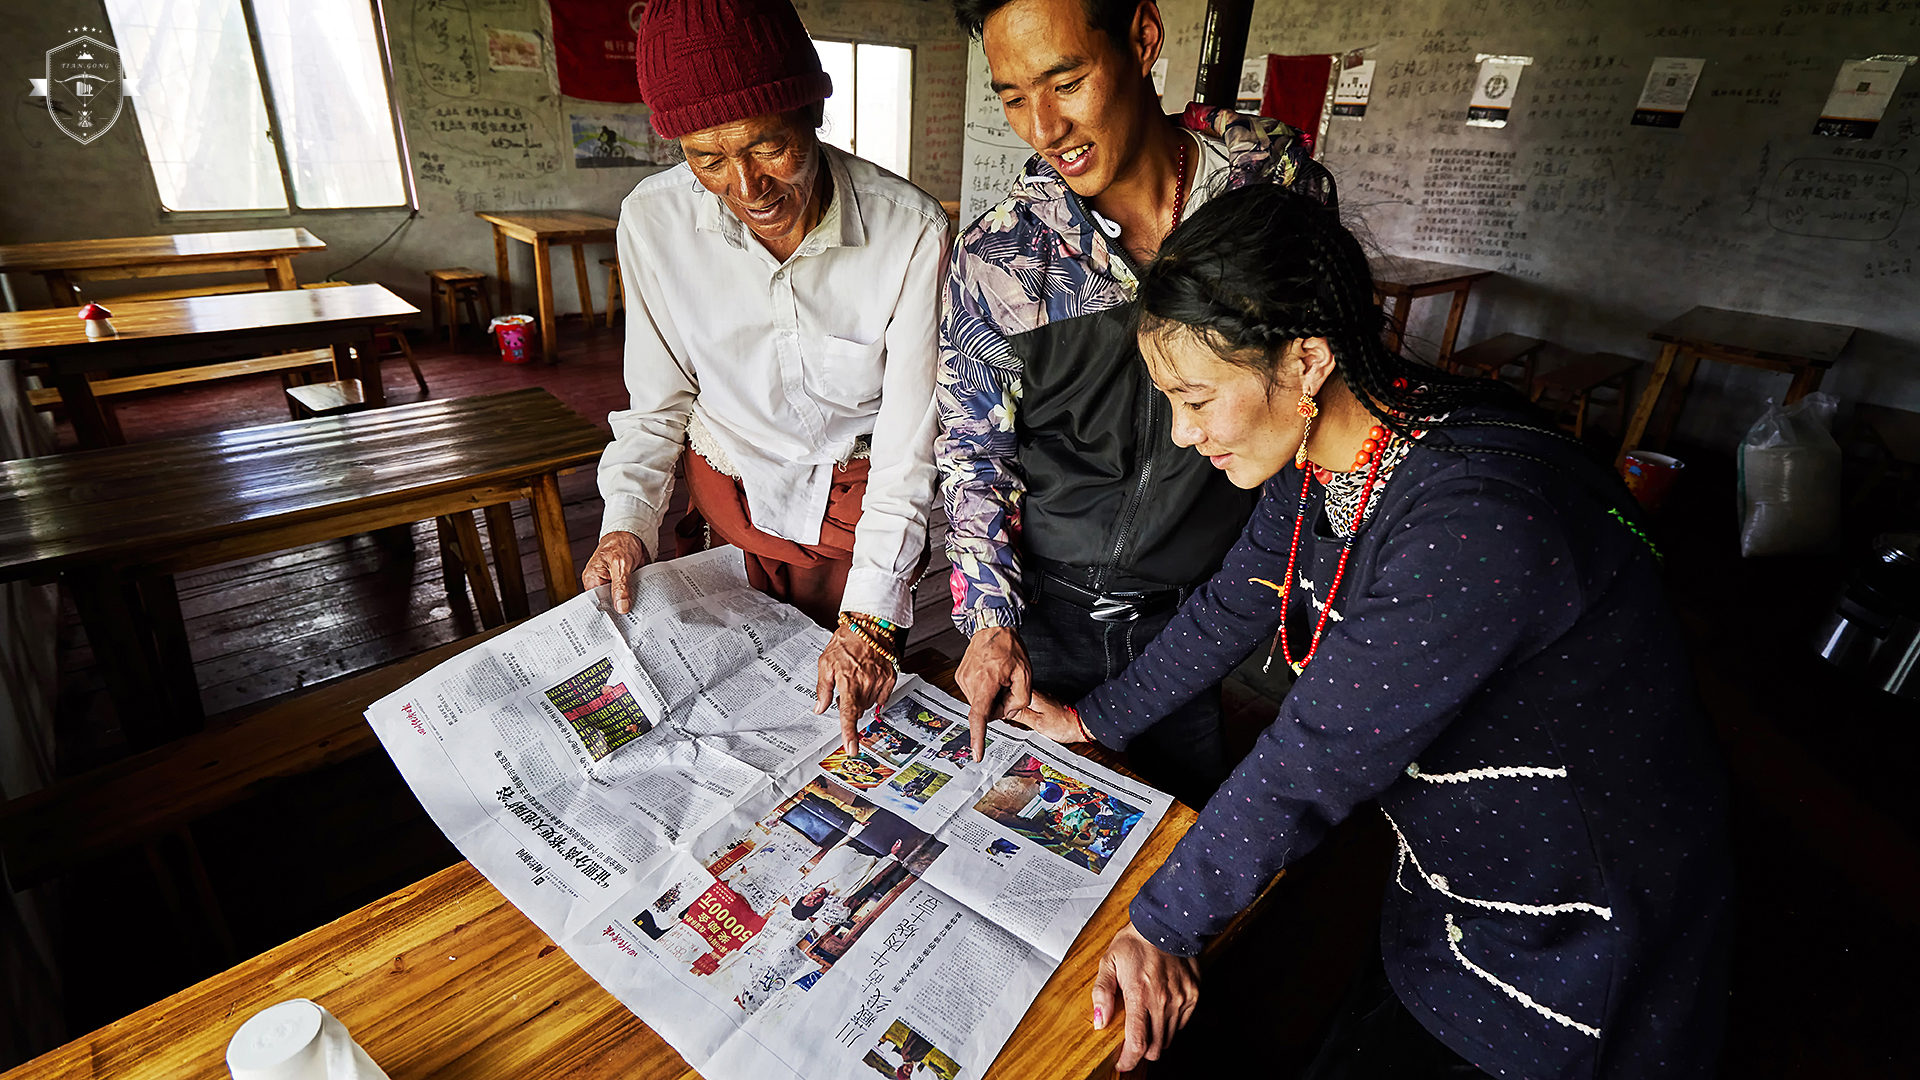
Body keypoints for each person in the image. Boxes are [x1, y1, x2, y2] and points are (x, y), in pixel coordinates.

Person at [1016, 184, 1733, 1076]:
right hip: (1450, 876)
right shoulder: (1338, 447)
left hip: (1570, 918)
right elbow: (1235, 599)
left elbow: (1314, 755)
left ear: (1306, 360)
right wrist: (1092, 721)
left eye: (1197, 398)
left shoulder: (1471, 523)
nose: (1184, 432)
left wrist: (1163, 924)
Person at [937, 0, 1331, 803]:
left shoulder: (1273, 194)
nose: (1044, 126)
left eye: (1067, 80)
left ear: (1143, 40)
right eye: (1013, 96)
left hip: (1195, 618)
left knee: (1181, 819)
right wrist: (988, 619)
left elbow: (1314, 404)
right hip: (1045, 617)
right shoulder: (1000, 260)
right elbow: (973, 453)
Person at [583, 0, 950, 753]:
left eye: (769, 146)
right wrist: (626, 524)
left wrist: (872, 617)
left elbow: (910, 444)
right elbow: (657, 403)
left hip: (856, 516)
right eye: (708, 160)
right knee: (727, 715)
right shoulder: (653, 223)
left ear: (811, 112)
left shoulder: (908, 231)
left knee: (849, 726)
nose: (748, 187)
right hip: (728, 505)